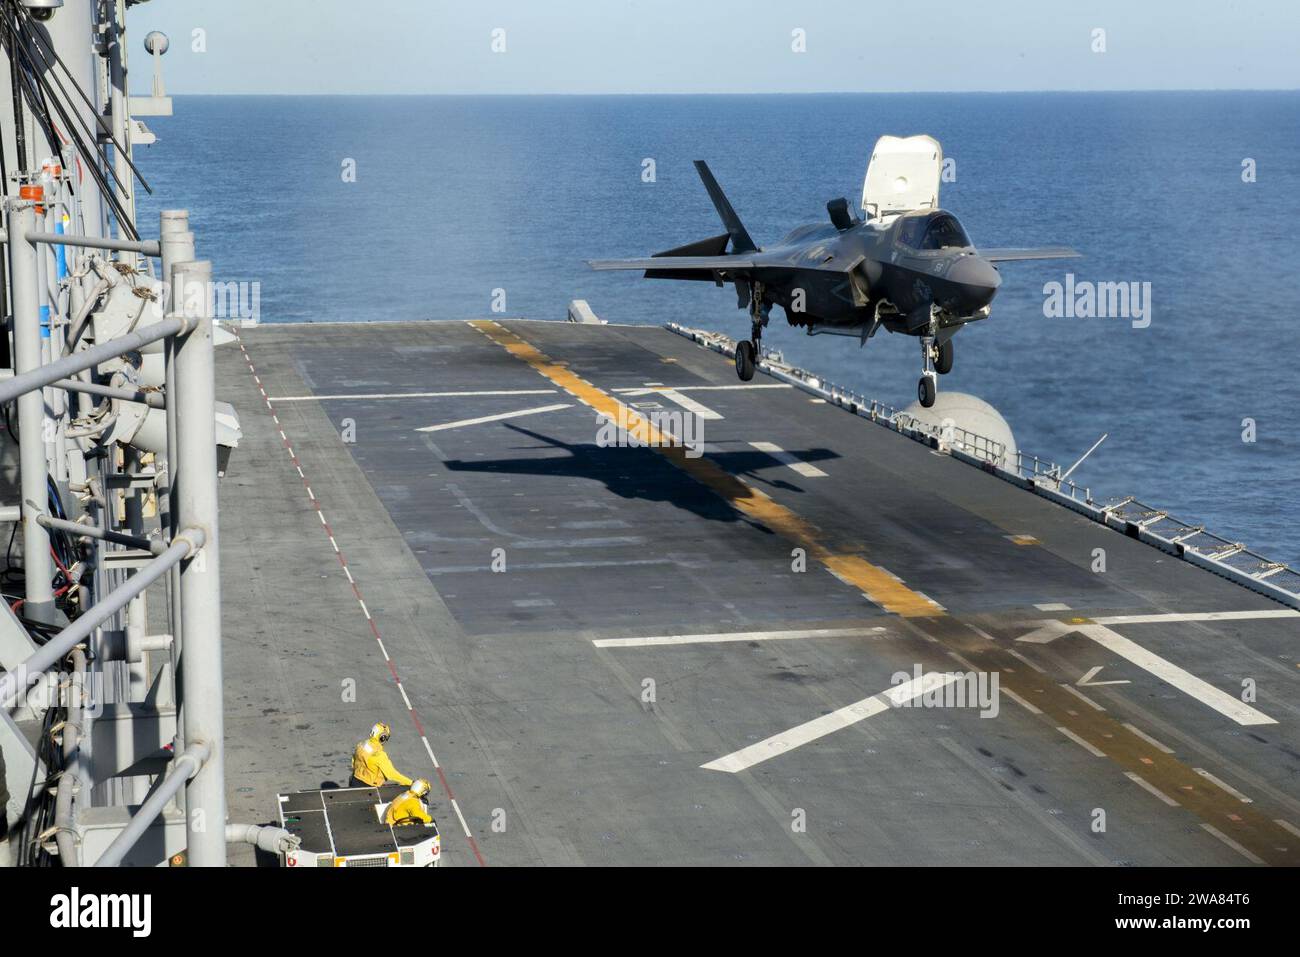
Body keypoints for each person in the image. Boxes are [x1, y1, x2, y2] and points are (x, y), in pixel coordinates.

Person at [349, 722, 413, 788]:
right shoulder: (379, 755)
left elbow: (353, 761)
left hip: (354, 780)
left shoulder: (361, 745)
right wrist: (411, 783)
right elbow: (391, 774)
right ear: (382, 738)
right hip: (369, 787)